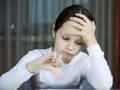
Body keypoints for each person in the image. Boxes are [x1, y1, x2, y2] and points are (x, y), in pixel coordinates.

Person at [0, 4, 113, 90]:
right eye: (65, 38)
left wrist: (92, 41)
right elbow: (3, 86)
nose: (70, 47)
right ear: (54, 31)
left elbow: (104, 85)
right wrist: (34, 66)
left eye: (79, 42)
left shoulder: (82, 60)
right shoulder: (36, 56)